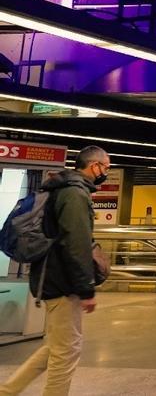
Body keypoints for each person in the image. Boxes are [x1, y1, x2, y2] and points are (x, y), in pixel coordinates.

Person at [0, 146, 109, 396]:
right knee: (66, 352)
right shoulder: (74, 194)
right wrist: (86, 289)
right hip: (61, 282)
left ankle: (7, 391)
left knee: (57, 346)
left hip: (52, 277)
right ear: (95, 166)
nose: (106, 173)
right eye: (106, 168)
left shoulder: (62, 189)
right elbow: (77, 243)